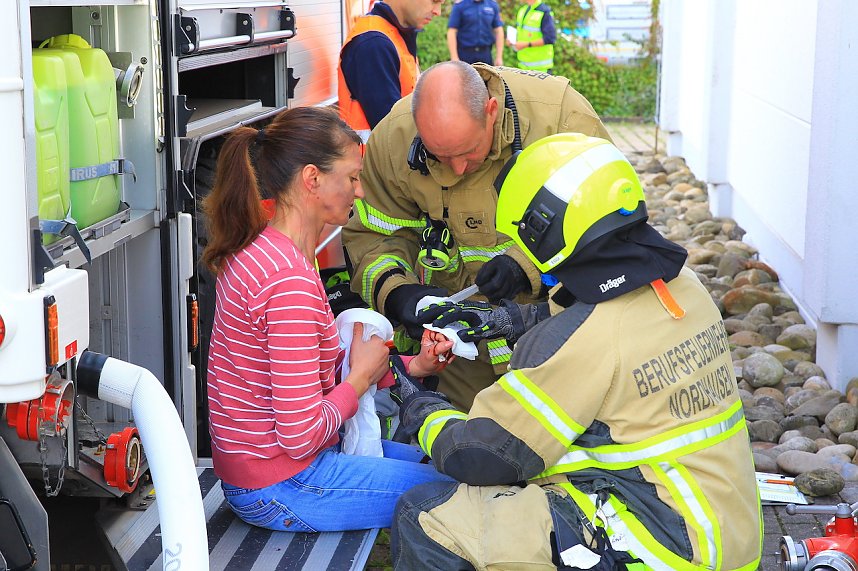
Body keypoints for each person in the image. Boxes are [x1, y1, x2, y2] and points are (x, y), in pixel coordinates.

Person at [388, 133, 763, 570]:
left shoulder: (583, 340)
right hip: (727, 535)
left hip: (661, 548)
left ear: (544, 230)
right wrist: (500, 321)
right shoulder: (683, 288)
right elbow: (582, 311)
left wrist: (421, 406)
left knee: (427, 514)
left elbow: (483, 455)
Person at [201, 106, 456, 532]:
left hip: (261, 475)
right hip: (282, 485)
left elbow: (300, 374)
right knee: (458, 492)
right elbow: (300, 435)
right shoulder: (289, 283)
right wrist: (359, 379)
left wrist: (413, 367)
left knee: (453, 467)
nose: (359, 191)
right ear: (312, 180)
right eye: (352, 178)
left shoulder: (267, 249)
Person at [341, 61, 611, 411]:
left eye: (468, 153)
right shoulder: (394, 138)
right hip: (455, 356)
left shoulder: (560, 119)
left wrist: (524, 267)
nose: (457, 169)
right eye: (439, 157)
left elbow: (605, 220)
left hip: (554, 341)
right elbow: (372, 235)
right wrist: (398, 293)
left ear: (492, 112)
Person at [338, 0, 444, 143]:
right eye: (434, 1)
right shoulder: (373, 45)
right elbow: (395, 135)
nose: (438, 11)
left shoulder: (394, 35)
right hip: (374, 163)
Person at [447, 0, 504, 66]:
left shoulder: (492, 5)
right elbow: (452, 31)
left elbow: (499, 31)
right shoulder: (460, 5)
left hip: (485, 54)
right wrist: (454, 57)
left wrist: (499, 57)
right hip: (465, 54)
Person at [510, 0, 556, 73]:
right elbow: (523, 33)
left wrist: (526, 45)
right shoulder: (523, 10)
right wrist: (512, 40)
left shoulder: (544, 11)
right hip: (523, 67)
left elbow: (550, 38)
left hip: (541, 70)